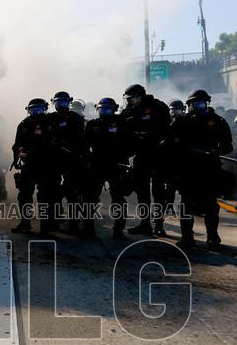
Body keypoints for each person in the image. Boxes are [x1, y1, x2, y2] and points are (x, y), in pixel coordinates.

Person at [164, 90, 233, 248]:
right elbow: (168, 143)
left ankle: (213, 237)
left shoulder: (217, 121)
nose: (198, 106)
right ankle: (187, 238)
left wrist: (218, 151)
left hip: (209, 168)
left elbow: (228, 145)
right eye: (195, 103)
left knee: (211, 205)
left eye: (201, 103)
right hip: (187, 169)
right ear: (189, 105)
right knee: (186, 204)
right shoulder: (181, 122)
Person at [121, 83, 170, 236]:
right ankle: (145, 224)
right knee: (142, 192)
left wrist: (151, 136)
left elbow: (167, 129)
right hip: (140, 156)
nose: (129, 101)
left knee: (158, 191)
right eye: (127, 99)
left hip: (158, 155)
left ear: (140, 96)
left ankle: (159, 225)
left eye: (132, 98)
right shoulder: (128, 111)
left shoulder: (158, 107)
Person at [83, 97, 133, 237]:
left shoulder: (122, 123)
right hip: (97, 165)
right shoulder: (92, 125)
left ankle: (118, 230)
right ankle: (88, 228)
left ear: (114, 109)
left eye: (107, 109)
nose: (104, 111)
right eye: (101, 109)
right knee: (90, 198)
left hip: (117, 166)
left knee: (118, 199)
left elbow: (131, 143)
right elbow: (84, 145)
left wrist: (123, 157)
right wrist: (87, 160)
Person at [11, 98, 59, 234]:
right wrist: (18, 155)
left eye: (39, 109)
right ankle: (25, 223)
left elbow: (54, 144)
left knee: (45, 197)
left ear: (45, 109)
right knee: (24, 195)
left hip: (46, 165)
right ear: (28, 110)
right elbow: (17, 143)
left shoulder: (51, 123)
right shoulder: (24, 124)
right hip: (29, 166)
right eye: (33, 109)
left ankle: (46, 226)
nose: (36, 112)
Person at [45, 90, 86, 230]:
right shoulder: (49, 118)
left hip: (71, 159)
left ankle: (73, 222)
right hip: (53, 160)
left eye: (64, 102)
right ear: (53, 103)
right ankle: (54, 219)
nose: (61, 105)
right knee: (53, 191)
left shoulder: (77, 118)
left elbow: (81, 139)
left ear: (69, 103)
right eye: (58, 102)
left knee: (71, 192)